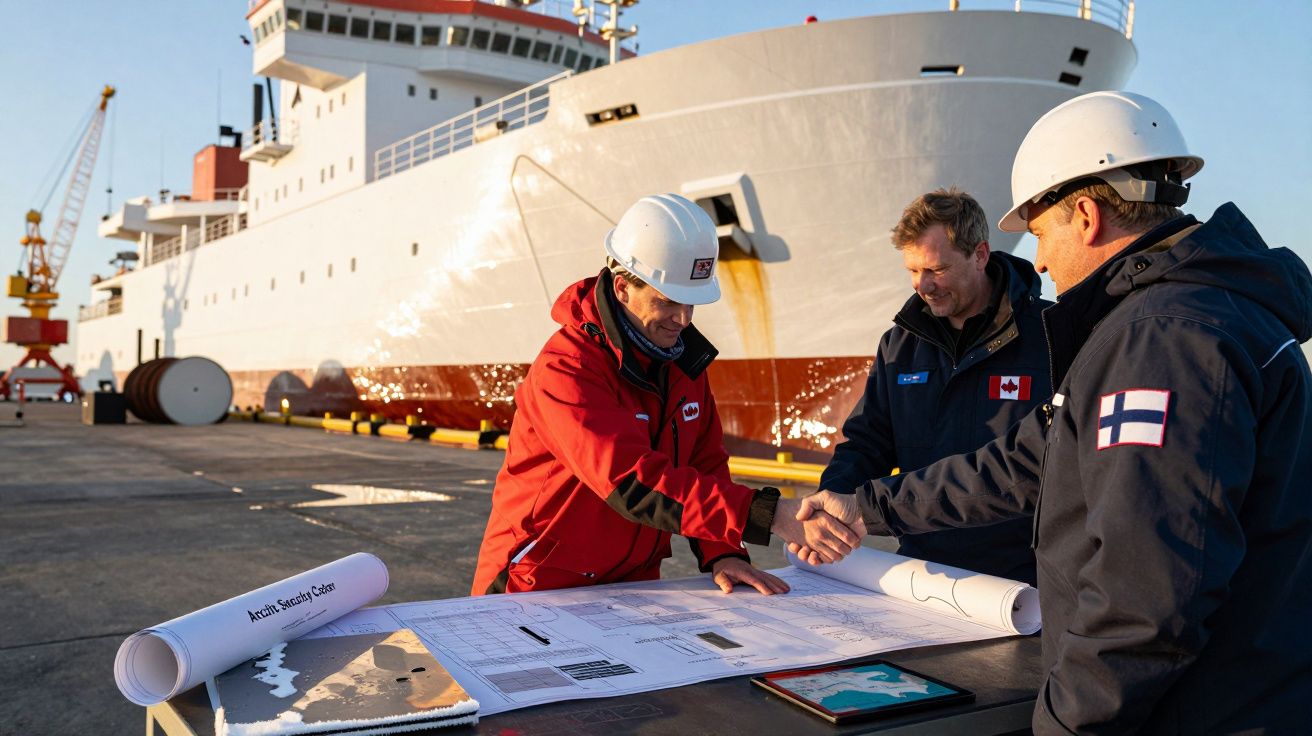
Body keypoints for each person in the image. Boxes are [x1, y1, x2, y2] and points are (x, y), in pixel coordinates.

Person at [792, 91, 1312, 733]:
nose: (1037, 259)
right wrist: (864, 505)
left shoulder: (1162, 344)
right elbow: (1028, 460)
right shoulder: (1186, 322)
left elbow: (1144, 601)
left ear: (1086, 216)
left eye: (1040, 233)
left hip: (1199, 711)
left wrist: (1065, 726)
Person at [472, 193, 862, 597]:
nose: (684, 319)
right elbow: (632, 483)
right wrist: (769, 514)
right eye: (669, 301)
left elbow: (704, 462)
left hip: (632, 584)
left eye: (691, 302)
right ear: (622, 288)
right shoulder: (567, 368)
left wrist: (723, 553)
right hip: (534, 584)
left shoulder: (681, 361)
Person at [821, 187, 1050, 584]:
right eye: (912, 270)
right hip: (925, 577)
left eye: (937, 270)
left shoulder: (1050, 336)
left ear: (980, 254)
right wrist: (830, 504)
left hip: (1025, 583)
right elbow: (868, 442)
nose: (922, 286)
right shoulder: (899, 346)